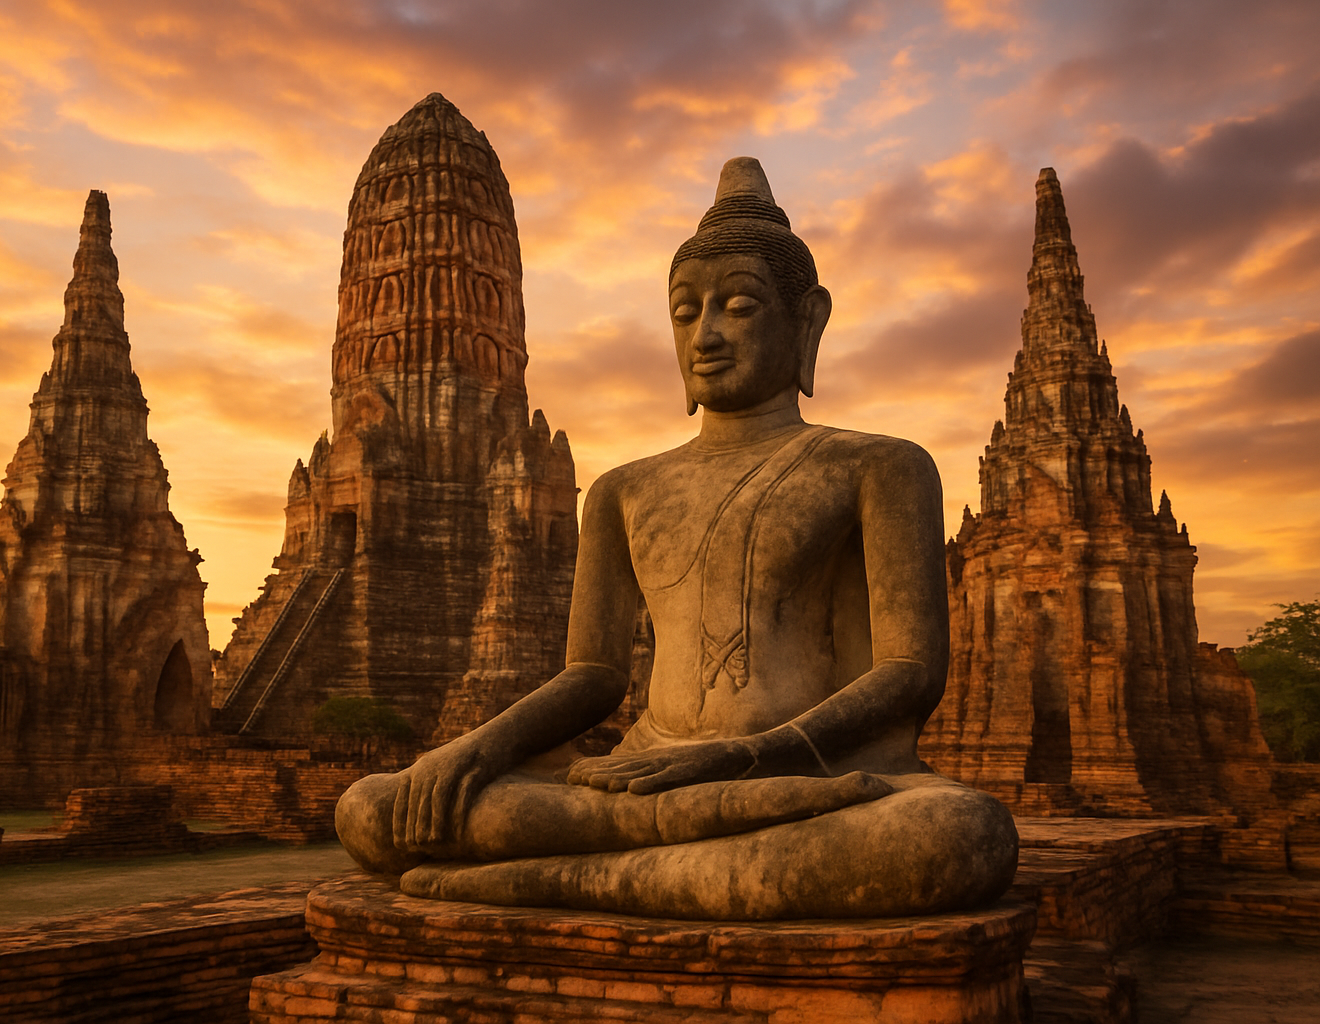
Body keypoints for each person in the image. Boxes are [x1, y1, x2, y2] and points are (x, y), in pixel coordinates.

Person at [336, 157, 1018, 920]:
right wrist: (469, 750)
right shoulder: (624, 490)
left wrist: (745, 755)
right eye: (687, 312)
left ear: (808, 322)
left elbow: (910, 671)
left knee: (953, 834)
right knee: (372, 809)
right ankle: (683, 856)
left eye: (739, 306)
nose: (709, 334)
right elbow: (593, 676)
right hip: (639, 778)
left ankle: (541, 878)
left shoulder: (879, 467)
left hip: (806, 780)